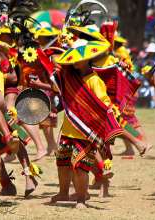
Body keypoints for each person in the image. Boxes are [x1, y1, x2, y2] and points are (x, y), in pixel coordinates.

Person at [49, 39, 123, 208]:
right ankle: (63, 192)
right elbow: (55, 88)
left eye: (77, 58)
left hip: (85, 132)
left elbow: (103, 105)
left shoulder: (94, 80)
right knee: (63, 164)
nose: (74, 60)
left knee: (80, 167)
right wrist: (59, 67)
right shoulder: (69, 76)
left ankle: (81, 198)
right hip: (68, 129)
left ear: (87, 58)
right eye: (72, 57)